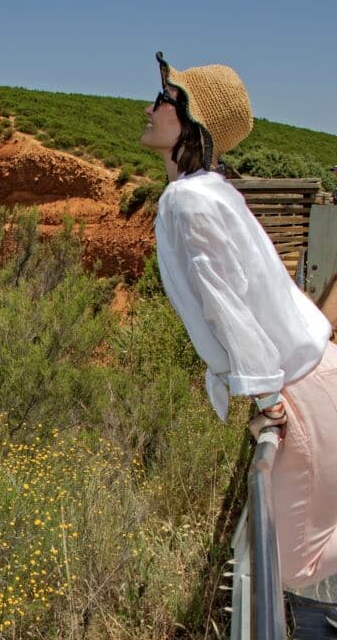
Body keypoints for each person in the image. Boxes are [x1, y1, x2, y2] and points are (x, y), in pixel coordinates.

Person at [140, 51, 337, 607]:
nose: (150, 107)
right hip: (314, 373)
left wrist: (265, 396)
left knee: (292, 566)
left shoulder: (187, 201)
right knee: (287, 554)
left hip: (298, 389)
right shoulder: (212, 190)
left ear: (190, 122)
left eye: (165, 100)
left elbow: (227, 303)